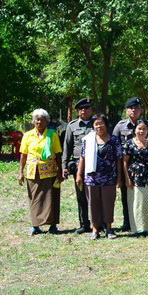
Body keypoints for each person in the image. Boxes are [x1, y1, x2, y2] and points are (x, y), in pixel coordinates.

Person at [76, 113, 122, 240]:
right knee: (93, 203)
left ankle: (109, 229)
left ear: (106, 125)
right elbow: (82, 157)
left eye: (101, 123)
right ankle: (95, 229)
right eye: (96, 124)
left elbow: (119, 159)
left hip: (109, 177)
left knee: (108, 203)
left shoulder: (114, 140)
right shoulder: (88, 139)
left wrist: (119, 176)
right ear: (93, 126)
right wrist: (79, 174)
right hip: (91, 178)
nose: (99, 126)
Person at [19, 109, 64, 235]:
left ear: (46, 122)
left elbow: (58, 154)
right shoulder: (27, 135)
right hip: (33, 171)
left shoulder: (52, 134)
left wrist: (60, 172)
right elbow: (23, 155)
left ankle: (53, 225)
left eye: (42, 119)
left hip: (50, 171)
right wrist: (20, 172)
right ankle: (35, 225)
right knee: (34, 198)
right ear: (33, 121)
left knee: (52, 197)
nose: (39, 121)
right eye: (37, 119)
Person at [112, 97, 145, 232]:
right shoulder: (120, 126)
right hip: (125, 165)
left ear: (140, 110)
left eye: (137, 108)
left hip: (142, 166)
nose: (134, 110)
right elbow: (114, 145)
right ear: (126, 111)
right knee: (126, 195)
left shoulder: (146, 125)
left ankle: (140, 221)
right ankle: (127, 221)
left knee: (141, 195)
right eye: (131, 108)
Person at [62, 98, 94, 234]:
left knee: (95, 195)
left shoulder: (98, 123)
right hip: (77, 165)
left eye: (86, 108)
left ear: (91, 109)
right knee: (81, 195)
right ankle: (84, 224)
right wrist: (64, 165)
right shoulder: (72, 125)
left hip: (95, 164)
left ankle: (100, 223)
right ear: (77, 111)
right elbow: (67, 146)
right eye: (81, 108)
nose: (83, 110)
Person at [123, 119, 148, 235]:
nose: (141, 131)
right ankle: (135, 229)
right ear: (135, 130)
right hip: (134, 177)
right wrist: (126, 178)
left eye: (144, 129)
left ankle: (144, 228)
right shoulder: (129, 143)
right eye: (139, 128)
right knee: (135, 203)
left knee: (145, 202)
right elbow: (124, 162)